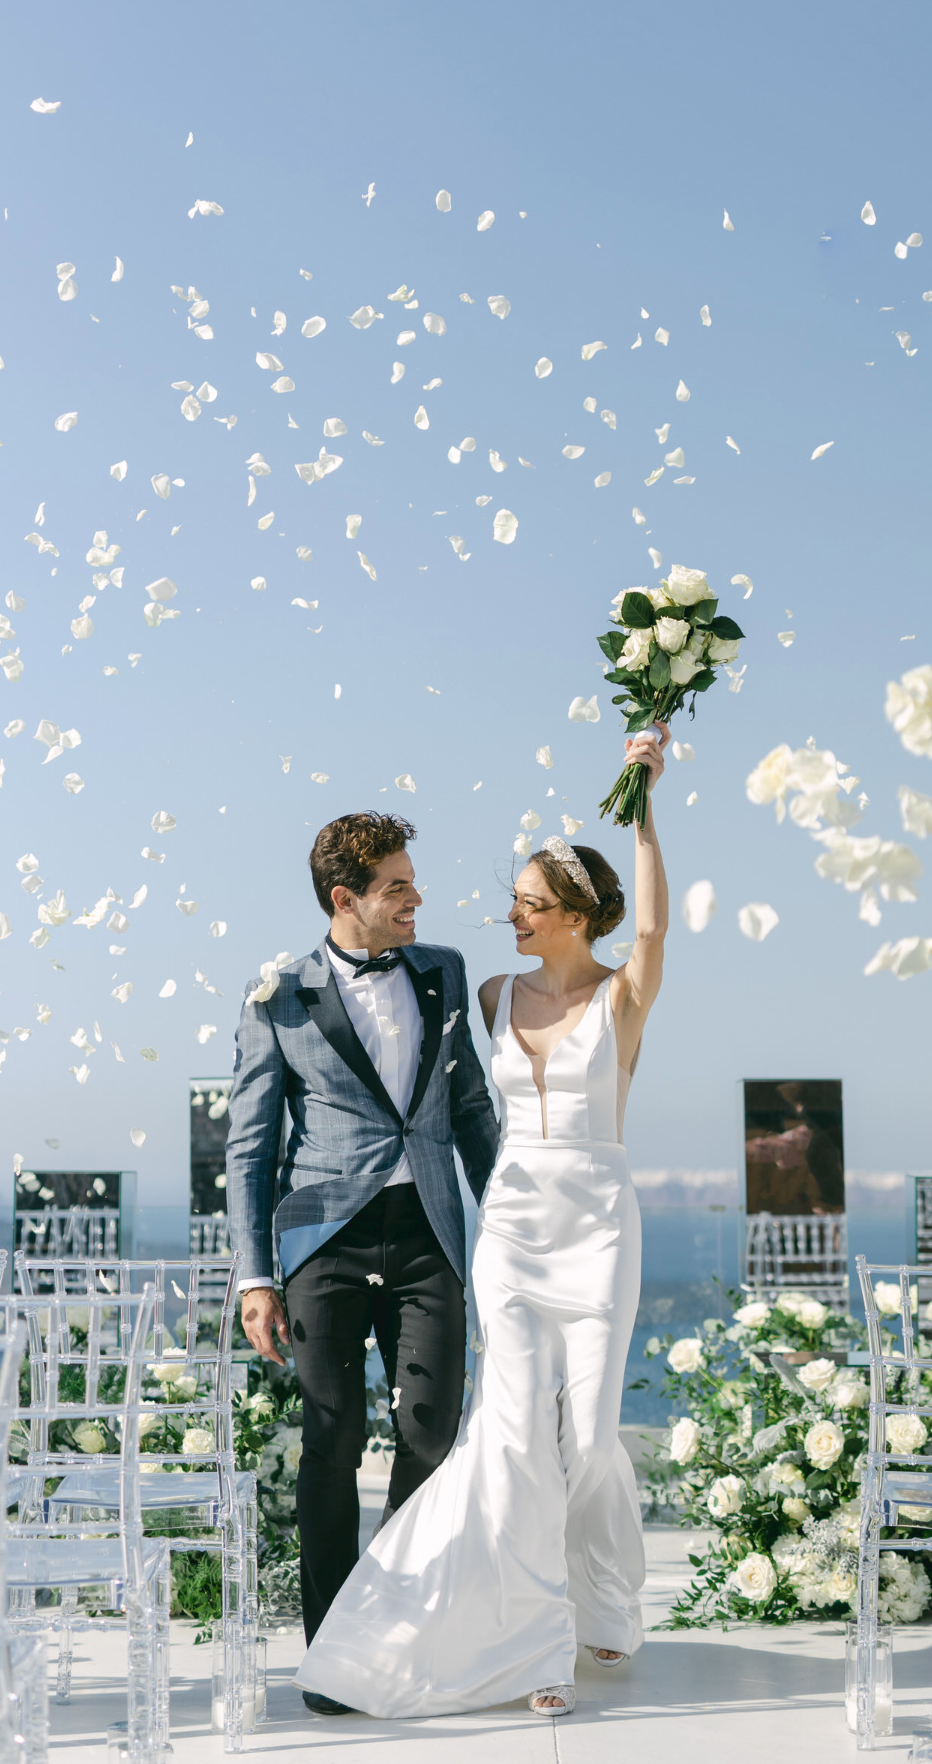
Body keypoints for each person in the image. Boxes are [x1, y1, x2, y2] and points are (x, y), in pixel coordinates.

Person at [296, 724, 670, 1719]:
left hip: (596, 1225)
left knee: (587, 1441)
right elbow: (425, 1092)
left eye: (529, 904)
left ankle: (606, 1603)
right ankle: (533, 1647)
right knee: (509, 1440)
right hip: (511, 1222)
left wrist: (645, 799)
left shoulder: (623, 996)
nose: (510, 913)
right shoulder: (491, 990)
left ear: (576, 915)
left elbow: (658, 930)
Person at [225, 812, 500, 1716]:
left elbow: (471, 1113)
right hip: (322, 1243)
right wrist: (255, 1275)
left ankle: (394, 1627)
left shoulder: (444, 971)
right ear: (346, 901)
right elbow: (251, 1150)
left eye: (414, 882)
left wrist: (503, 1226)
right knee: (333, 1437)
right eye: (398, 887)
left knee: (429, 1432)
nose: (417, 898)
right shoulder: (278, 995)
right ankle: (332, 1655)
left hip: (429, 1233)